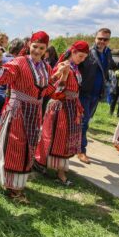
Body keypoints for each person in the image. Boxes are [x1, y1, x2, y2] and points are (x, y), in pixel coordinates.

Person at [0, 31, 68, 203]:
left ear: (46, 49)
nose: (37, 51)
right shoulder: (19, 62)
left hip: (35, 111)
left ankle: (14, 182)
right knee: (15, 145)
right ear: (29, 45)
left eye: (42, 48)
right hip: (17, 110)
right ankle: (13, 187)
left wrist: (61, 76)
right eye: (35, 46)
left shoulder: (46, 67)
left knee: (29, 146)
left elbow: (47, 91)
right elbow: (0, 78)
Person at [35, 41, 89, 185]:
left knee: (65, 138)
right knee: (57, 137)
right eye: (80, 56)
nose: (82, 59)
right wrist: (64, 77)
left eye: (84, 57)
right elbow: (54, 91)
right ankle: (56, 169)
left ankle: (55, 167)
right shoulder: (63, 66)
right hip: (60, 106)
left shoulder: (75, 68)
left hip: (71, 106)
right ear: (73, 52)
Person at [77, 28, 119, 164]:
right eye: (100, 38)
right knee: (83, 123)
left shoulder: (107, 53)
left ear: (108, 41)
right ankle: (81, 150)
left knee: (84, 121)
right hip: (84, 92)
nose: (102, 41)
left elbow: (113, 66)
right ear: (95, 38)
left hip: (97, 94)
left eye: (105, 39)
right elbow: (75, 64)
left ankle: (74, 145)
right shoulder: (88, 52)